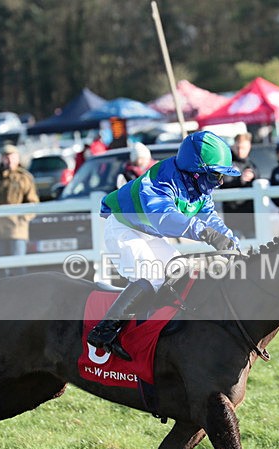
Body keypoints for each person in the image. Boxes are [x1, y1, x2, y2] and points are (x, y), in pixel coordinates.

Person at [88, 130, 241, 361]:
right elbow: (164, 217)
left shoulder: (199, 188)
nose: (219, 182)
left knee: (178, 272)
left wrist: (233, 243)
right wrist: (205, 233)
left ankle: (160, 332)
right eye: (215, 176)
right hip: (122, 227)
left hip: (147, 232)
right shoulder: (160, 180)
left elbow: (209, 219)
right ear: (197, 172)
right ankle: (104, 332)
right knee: (152, 276)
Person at [0, 144, 39, 278]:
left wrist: (22, 220)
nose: (8, 160)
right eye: (5, 157)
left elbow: (33, 203)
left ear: (17, 158)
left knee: (18, 268)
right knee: (0, 270)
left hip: (16, 231)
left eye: (11, 157)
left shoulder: (24, 177)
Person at [222, 132, 259, 238]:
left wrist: (253, 175)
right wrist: (241, 179)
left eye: (243, 147)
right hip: (233, 217)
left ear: (249, 147)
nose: (240, 150)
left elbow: (260, 180)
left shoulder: (252, 165)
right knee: (235, 249)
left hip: (250, 218)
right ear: (234, 145)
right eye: (238, 147)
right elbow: (224, 183)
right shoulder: (227, 163)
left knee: (255, 249)